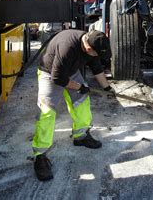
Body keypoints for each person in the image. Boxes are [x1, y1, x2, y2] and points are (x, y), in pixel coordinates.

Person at [32, 29, 115, 181]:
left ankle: (81, 136)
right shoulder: (67, 47)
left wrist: (107, 88)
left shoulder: (93, 42)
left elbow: (97, 69)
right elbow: (58, 79)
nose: (97, 57)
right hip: (50, 73)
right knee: (47, 112)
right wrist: (80, 87)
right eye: (96, 54)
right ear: (88, 49)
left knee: (82, 100)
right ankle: (40, 156)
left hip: (69, 70)